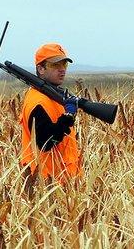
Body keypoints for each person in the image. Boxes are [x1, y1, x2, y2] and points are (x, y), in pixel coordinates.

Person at [20, 43, 80, 187]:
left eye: (64, 65)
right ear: (41, 69)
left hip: (62, 182)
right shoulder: (38, 101)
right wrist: (68, 117)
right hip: (45, 185)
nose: (62, 70)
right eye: (55, 65)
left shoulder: (52, 97)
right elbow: (45, 142)